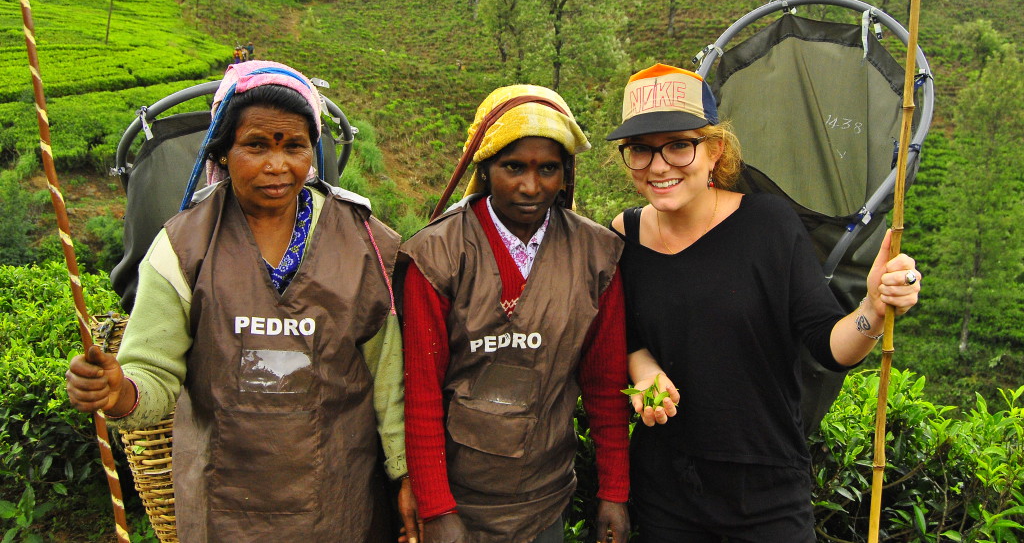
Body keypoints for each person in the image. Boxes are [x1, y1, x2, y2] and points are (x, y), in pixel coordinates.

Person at [66, 60, 417, 542]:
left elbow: (391, 376)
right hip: (226, 508)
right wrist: (118, 392)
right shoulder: (182, 247)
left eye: (294, 146)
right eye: (256, 145)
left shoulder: (363, 241)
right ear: (223, 150)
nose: (277, 165)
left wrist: (404, 475)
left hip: (340, 502)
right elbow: (152, 373)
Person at [605, 63, 922, 542]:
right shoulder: (623, 235)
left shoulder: (768, 226)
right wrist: (643, 369)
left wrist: (873, 310)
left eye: (678, 145)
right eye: (641, 151)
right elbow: (624, 334)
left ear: (715, 151)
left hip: (766, 494)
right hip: (666, 493)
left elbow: (827, 344)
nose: (659, 165)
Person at [400, 85, 631, 543]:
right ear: (483, 169)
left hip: (544, 499)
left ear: (566, 174)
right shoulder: (438, 254)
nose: (531, 186)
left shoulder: (596, 255)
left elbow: (605, 386)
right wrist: (437, 508)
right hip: (460, 503)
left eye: (548, 169)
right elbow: (421, 391)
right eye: (512, 168)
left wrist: (614, 493)